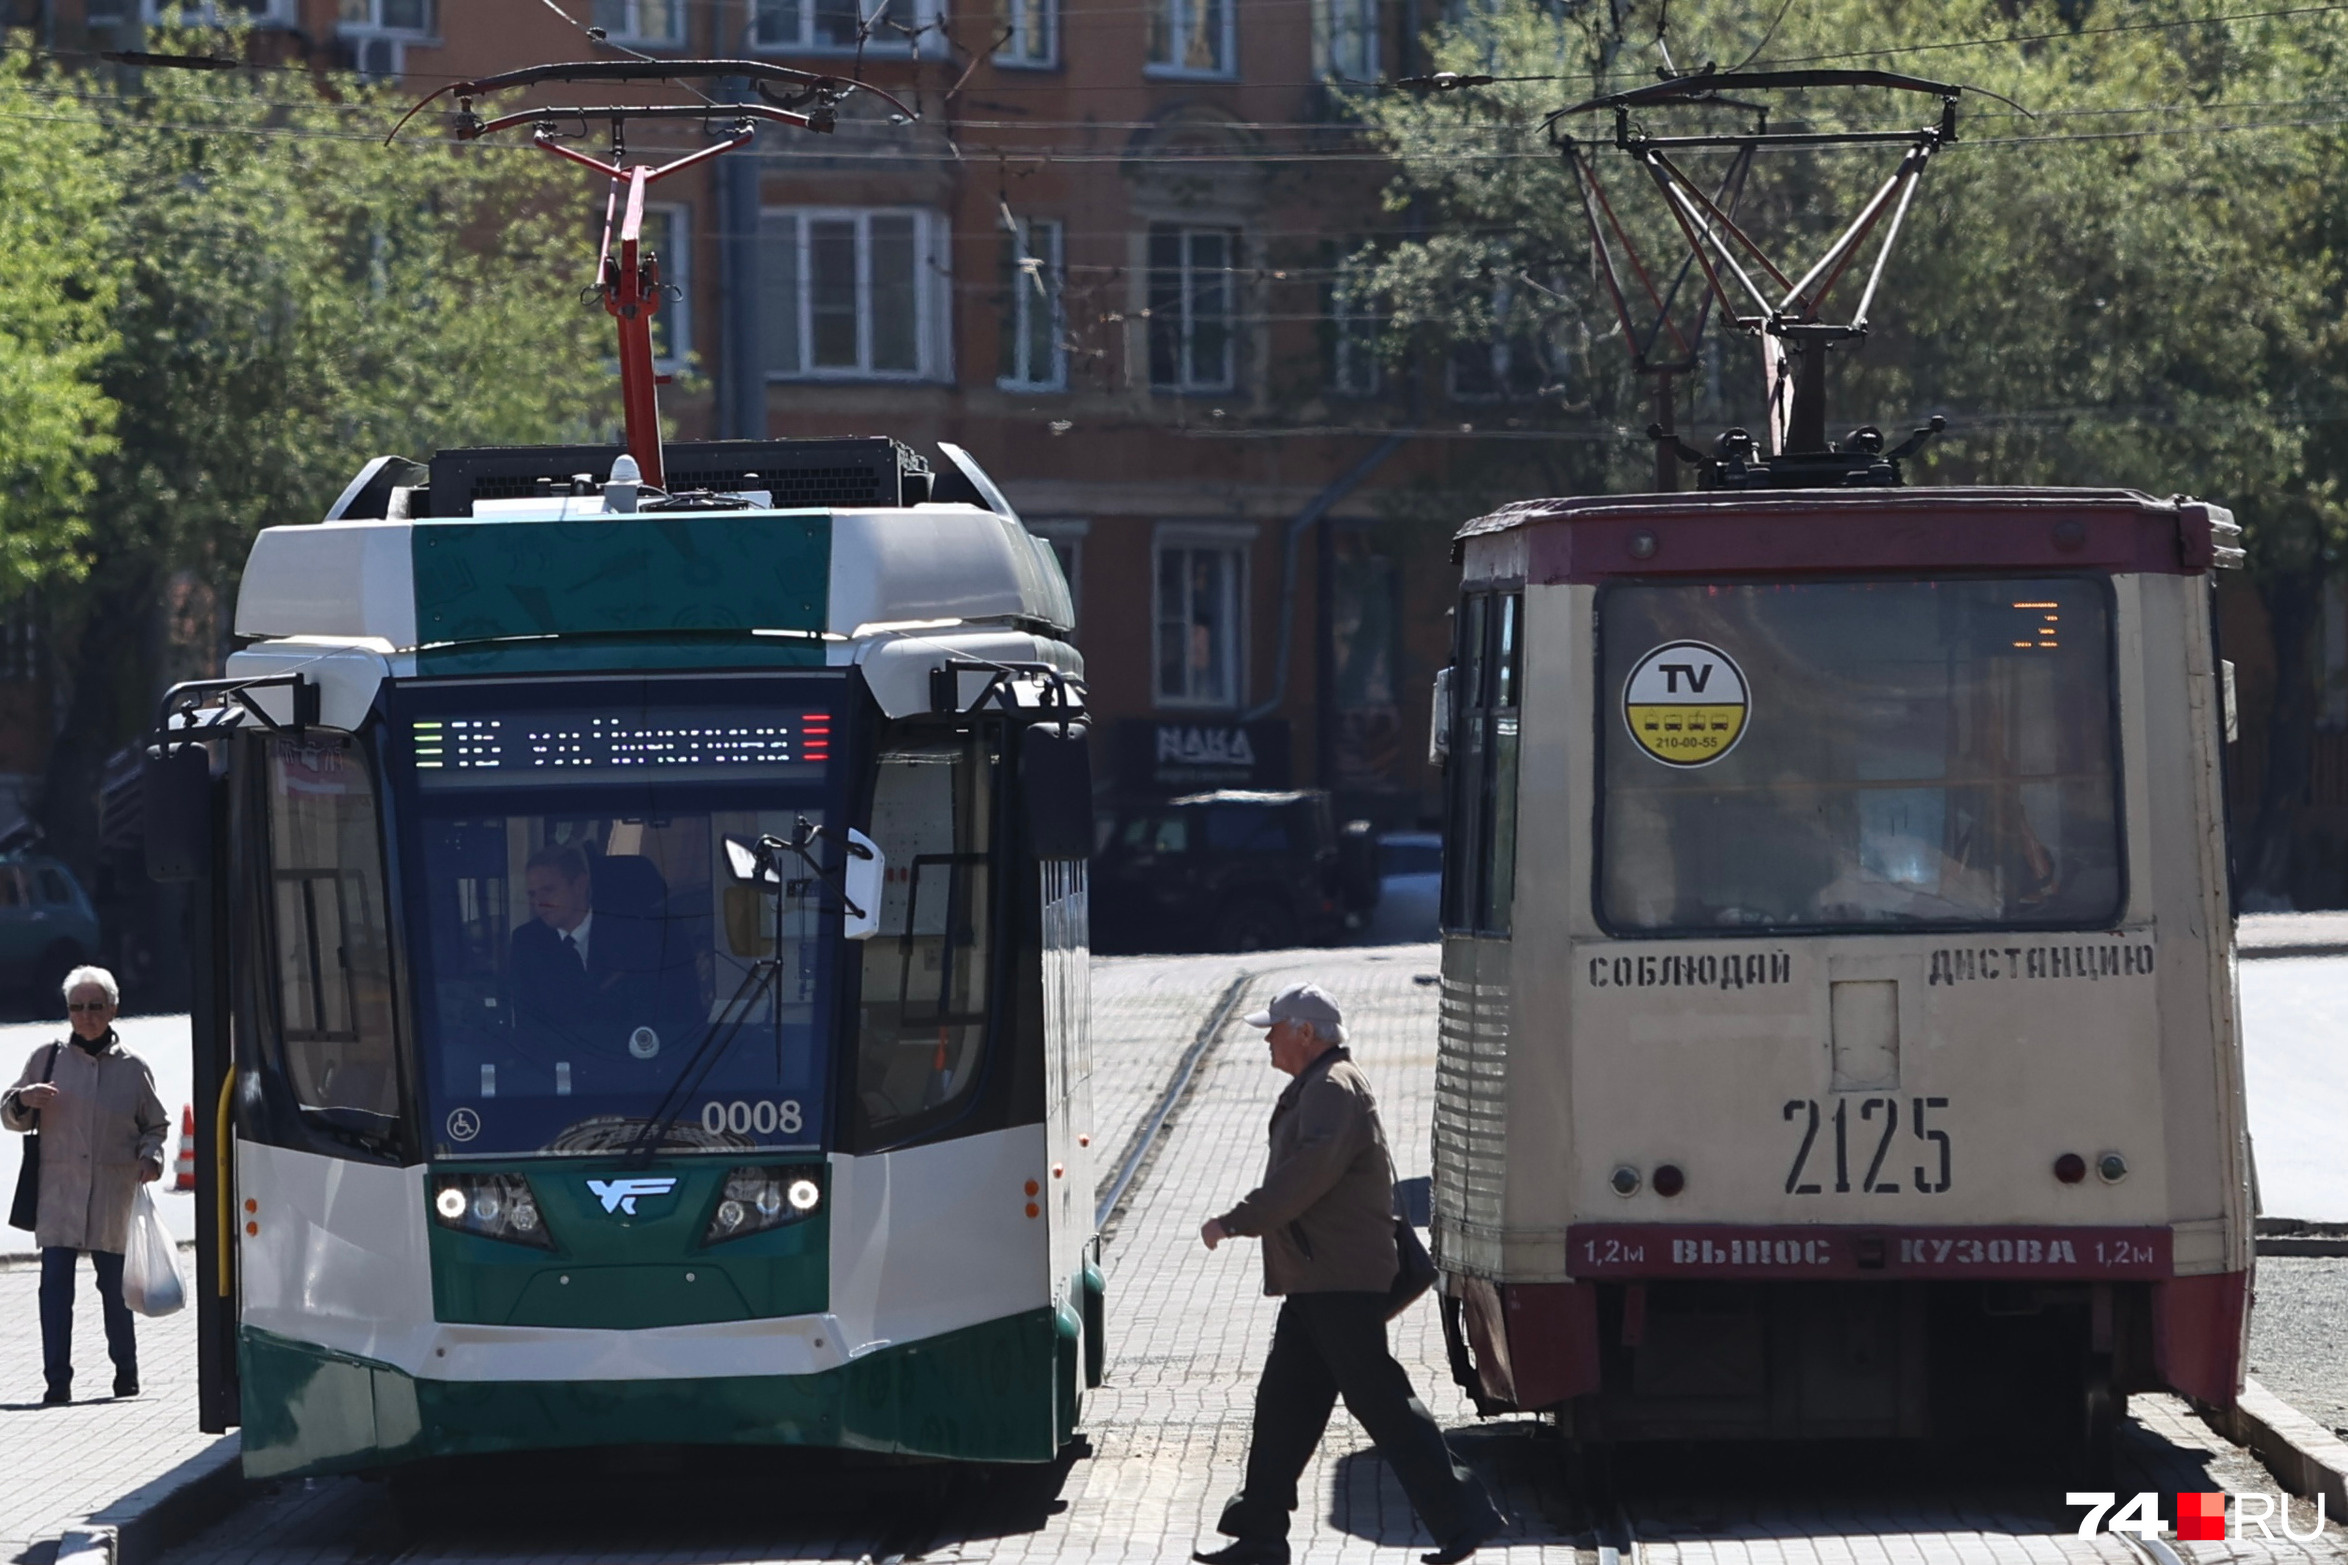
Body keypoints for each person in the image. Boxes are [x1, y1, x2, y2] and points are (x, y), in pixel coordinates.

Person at [1196, 984, 1500, 1565]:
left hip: (1337, 1279)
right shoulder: (1322, 1085)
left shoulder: (1333, 1089)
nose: (1268, 1039)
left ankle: (1465, 1516)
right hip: (1319, 1279)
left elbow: (1306, 1175)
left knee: (1383, 1403)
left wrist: (1238, 1221)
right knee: (1284, 1404)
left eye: (1275, 1028)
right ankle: (1259, 1533)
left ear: (1306, 1033)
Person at [2, 966, 169, 1405]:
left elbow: (156, 1125)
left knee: (116, 1290)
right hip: (59, 1196)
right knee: (55, 1289)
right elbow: (9, 1113)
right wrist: (22, 1100)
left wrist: (151, 1158)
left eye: (96, 1006)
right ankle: (57, 1382)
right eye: (77, 1007)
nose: (86, 1015)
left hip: (113, 1195)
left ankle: (126, 1372)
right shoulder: (47, 1058)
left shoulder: (134, 1068)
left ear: (113, 1009)